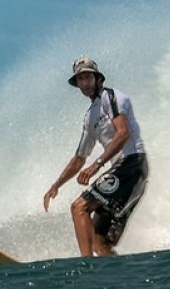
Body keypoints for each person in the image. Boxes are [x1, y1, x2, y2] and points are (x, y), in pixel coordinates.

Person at [42, 57, 150, 257]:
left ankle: (86, 267)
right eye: (80, 79)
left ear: (97, 78)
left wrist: (97, 165)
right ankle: (115, 279)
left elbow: (123, 133)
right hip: (127, 175)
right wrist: (55, 186)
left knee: (79, 207)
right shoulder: (90, 116)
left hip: (131, 165)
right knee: (99, 243)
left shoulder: (113, 97)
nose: (85, 83)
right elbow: (79, 158)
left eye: (88, 77)